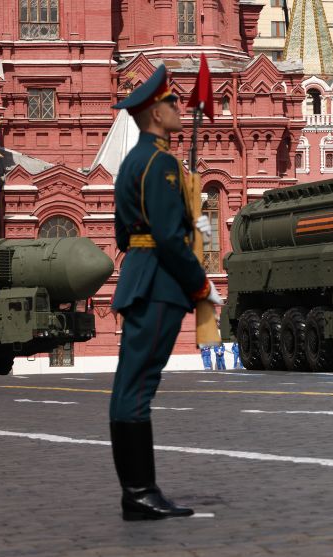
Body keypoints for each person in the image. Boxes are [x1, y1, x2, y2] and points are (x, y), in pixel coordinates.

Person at [108, 65, 222, 521]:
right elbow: (168, 238)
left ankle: (138, 491)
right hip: (158, 281)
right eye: (173, 103)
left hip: (142, 273)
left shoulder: (135, 161)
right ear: (156, 112)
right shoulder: (161, 163)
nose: (180, 109)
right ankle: (138, 492)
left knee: (131, 384)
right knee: (137, 387)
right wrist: (199, 282)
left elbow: (122, 234)